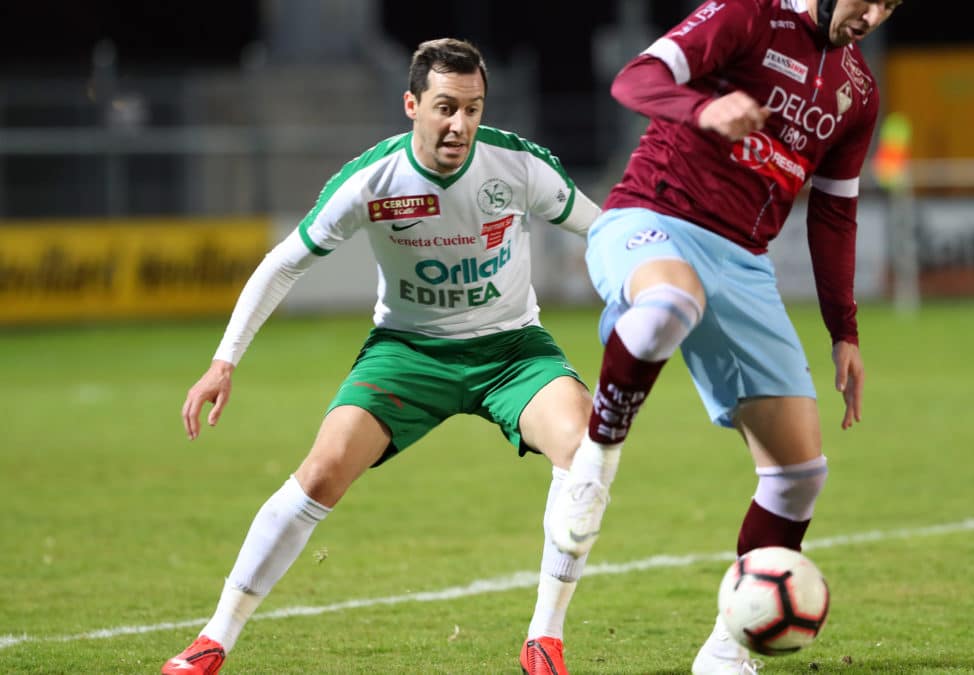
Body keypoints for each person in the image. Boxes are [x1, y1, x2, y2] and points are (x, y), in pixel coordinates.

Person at [163, 38, 602, 675]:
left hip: (512, 351)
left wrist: (647, 283)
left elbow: (607, 229)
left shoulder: (518, 167)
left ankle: (545, 639)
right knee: (320, 473)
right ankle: (214, 639)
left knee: (584, 453)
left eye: (473, 108)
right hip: (407, 351)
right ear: (412, 105)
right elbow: (282, 264)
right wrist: (224, 360)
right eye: (446, 107)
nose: (461, 125)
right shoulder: (373, 179)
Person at [546, 1, 903, 673]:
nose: (873, 15)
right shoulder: (747, 15)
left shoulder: (858, 91)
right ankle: (593, 465)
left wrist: (844, 330)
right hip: (652, 216)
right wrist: (703, 110)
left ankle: (727, 651)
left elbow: (834, 212)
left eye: (889, 6)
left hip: (743, 262)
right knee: (670, 300)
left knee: (799, 474)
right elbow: (635, 79)